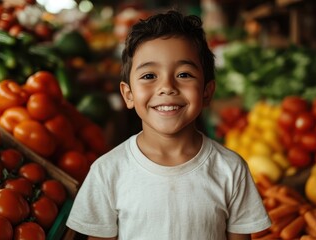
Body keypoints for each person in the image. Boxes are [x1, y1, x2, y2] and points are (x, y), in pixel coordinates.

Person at [66, 10, 271, 240]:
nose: (167, 87)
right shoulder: (107, 172)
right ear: (128, 94)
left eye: (184, 74)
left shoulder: (231, 169)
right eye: (149, 76)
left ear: (206, 92)